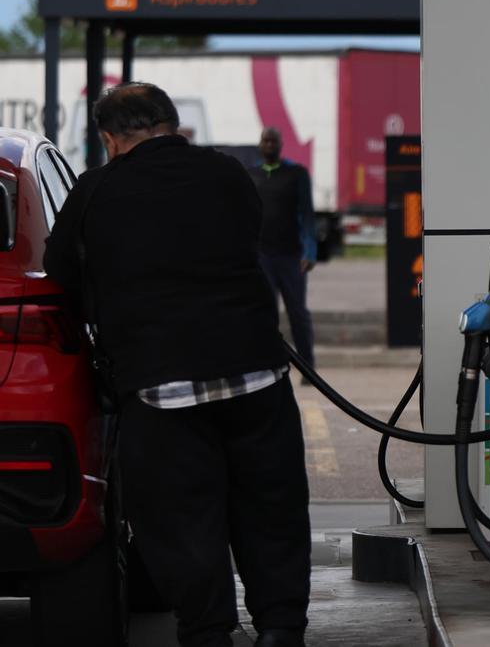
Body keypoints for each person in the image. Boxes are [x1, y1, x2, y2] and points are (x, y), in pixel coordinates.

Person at [44, 83, 311, 647]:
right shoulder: (228, 174)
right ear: (173, 125)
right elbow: (246, 236)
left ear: (110, 140)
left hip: (160, 389)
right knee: (272, 507)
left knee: (181, 519)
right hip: (255, 375)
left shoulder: (95, 191)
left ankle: (209, 632)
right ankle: (281, 628)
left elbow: (62, 273)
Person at [249, 127, 317, 369]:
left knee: (298, 314)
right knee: (266, 315)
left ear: (280, 145)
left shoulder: (296, 174)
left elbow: (308, 215)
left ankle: (308, 366)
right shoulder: (252, 175)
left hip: (291, 257)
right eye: (265, 141)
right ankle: (269, 364)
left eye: (273, 141)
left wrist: (310, 252)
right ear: (259, 144)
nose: (268, 145)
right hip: (262, 258)